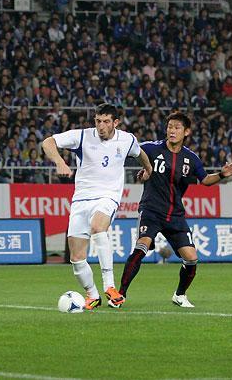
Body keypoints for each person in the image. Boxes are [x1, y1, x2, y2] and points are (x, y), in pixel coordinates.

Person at [118, 112, 232, 308]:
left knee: (191, 258)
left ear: (186, 132)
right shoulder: (151, 148)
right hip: (151, 210)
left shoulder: (191, 158)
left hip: (175, 214)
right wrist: (145, 169)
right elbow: (133, 151)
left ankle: (180, 295)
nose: (172, 131)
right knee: (141, 247)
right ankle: (120, 295)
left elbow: (205, 180)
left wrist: (222, 174)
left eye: (177, 127)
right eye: (170, 127)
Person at [42, 103, 153, 310]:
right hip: (81, 200)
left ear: (115, 122)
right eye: (98, 121)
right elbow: (48, 142)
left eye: (106, 122)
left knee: (98, 227)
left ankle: (110, 286)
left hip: (107, 196)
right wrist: (59, 161)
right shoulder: (82, 136)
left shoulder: (127, 139)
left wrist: (148, 169)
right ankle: (92, 295)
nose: (101, 126)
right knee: (76, 258)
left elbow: (140, 153)